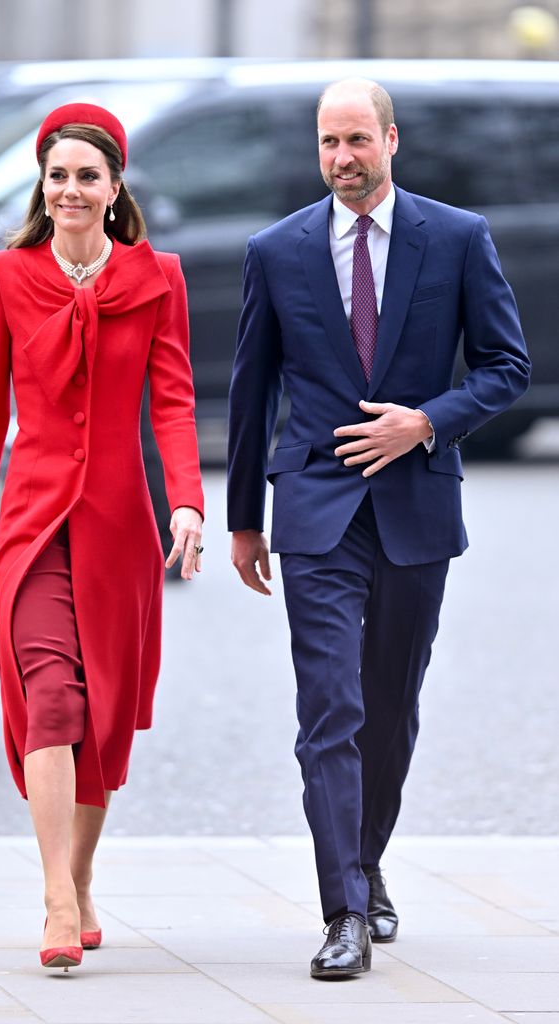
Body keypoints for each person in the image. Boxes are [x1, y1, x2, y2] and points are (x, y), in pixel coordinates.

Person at [227, 78, 530, 980]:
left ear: (390, 140)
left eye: (357, 140)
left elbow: (507, 366)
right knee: (330, 708)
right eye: (328, 143)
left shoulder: (458, 238)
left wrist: (425, 420)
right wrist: (245, 518)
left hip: (415, 505)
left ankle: (365, 860)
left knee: (389, 710)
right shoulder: (276, 249)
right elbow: (252, 391)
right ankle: (343, 913)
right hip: (315, 506)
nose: (342, 160)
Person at [0, 103, 204, 972]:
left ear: (115, 185)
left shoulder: (157, 278)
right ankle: (58, 896)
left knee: (101, 720)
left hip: (118, 529)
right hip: (27, 524)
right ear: (42, 184)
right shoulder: (7, 276)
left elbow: (172, 402)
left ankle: (82, 875)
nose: (70, 190)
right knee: (49, 697)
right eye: (57, 175)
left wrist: (187, 504)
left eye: (87, 175)